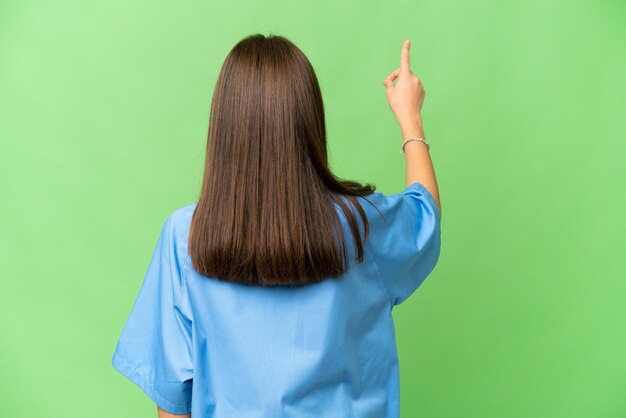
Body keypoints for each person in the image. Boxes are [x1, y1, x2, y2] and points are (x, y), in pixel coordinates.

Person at [112, 34, 442, 418]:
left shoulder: (186, 235)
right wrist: (410, 117)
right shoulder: (361, 225)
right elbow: (426, 215)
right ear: (310, 121)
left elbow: (172, 397)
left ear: (224, 126)